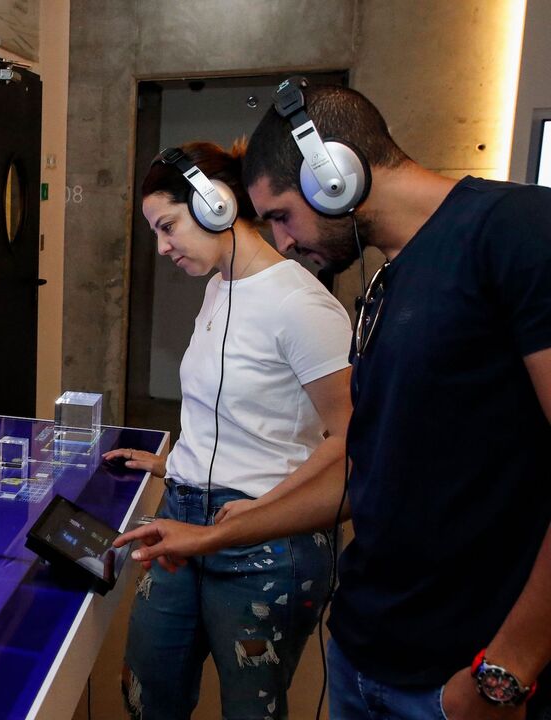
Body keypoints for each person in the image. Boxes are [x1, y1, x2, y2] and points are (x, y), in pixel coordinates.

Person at [116, 81, 551, 719]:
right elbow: (364, 459)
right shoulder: (389, 278)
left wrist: (508, 668)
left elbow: (345, 440)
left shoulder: (519, 231)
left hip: (461, 664)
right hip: (367, 645)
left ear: (335, 175)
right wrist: (210, 526)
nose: (284, 241)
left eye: (284, 215)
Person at [104, 140, 353, 719]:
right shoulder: (219, 287)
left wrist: (260, 510)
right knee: (146, 689)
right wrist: (177, 462)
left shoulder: (301, 306)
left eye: (168, 226)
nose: (162, 247)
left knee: (251, 710)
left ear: (215, 203)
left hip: (269, 538)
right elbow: (235, 413)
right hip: (183, 515)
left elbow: (349, 442)